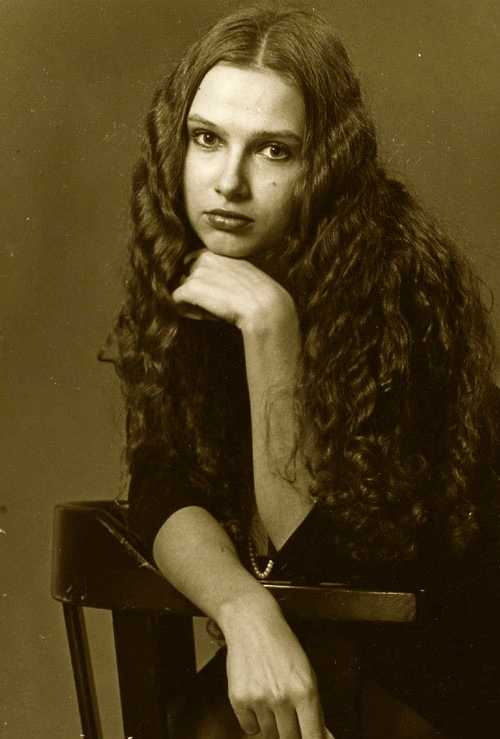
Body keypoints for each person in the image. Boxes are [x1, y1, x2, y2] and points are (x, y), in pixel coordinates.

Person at [107, 5, 500, 738]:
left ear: (322, 165)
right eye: (207, 138)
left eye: (273, 151)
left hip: (439, 679)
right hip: (321, 648)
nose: (229, 182)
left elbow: (331, 563)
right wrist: (242, 607)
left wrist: (270, 329)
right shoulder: (193, 265)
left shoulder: (400, 283)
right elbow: (161, 483)